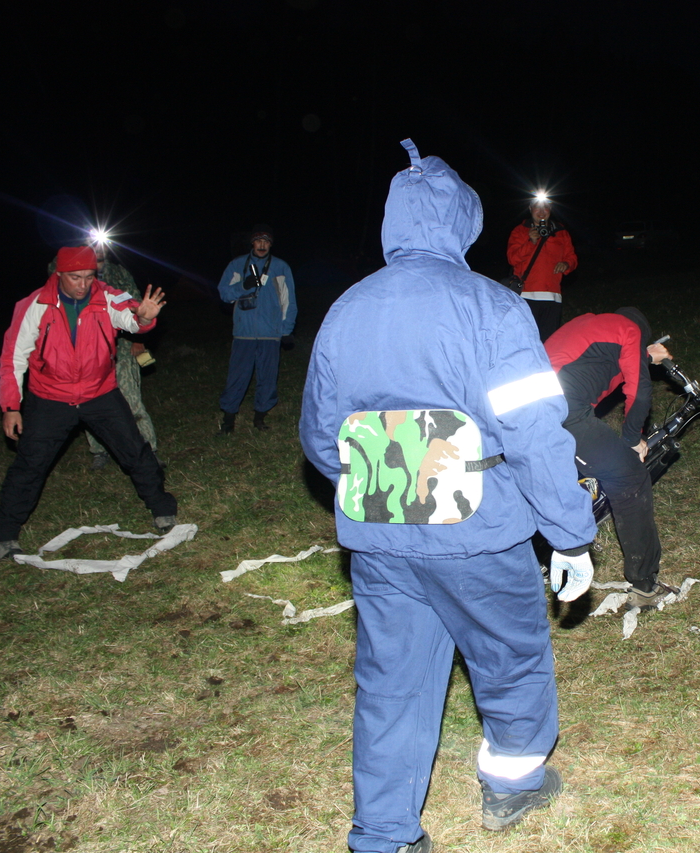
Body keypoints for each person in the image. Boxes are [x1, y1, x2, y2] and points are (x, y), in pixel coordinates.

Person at [299, 140, 597, 853]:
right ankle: (513, 782)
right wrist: (571, 533)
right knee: (510, 656)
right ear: (463, 221)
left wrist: (386, 478)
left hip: (381, 534)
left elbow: (318, 436)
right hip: (478, 531)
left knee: (391, 680)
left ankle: (383, 833)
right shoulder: (493, 307)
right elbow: (532, 431)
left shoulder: (346, 309)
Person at [0, 246, 176, 561]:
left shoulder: (107, 296)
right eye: (75, 277)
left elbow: (131, 318)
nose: (83, 284)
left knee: (135, 450)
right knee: (31, 464)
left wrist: (144, 318)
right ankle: (5, 533)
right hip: (50, 397)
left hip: (99, 392)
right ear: (59, 274)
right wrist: (11, 407)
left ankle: (162, 509)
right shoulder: (34, 304)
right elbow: (13, 359)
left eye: (89, 276)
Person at [544, 308, 672, 608]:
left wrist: (643, 356)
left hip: (521, 408)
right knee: (629, 476)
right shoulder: (629, 330)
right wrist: (632, 439)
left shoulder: (589, 324)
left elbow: (600, 364)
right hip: (562, 410)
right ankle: (644, 584)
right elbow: (639, 392)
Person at [47, 239, 159, 468]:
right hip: (88, 349)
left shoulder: (118, 273)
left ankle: (149, 450)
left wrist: (139, 339)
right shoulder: (72, 270)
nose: (98, 249)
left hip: (122, 347)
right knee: (90, 402)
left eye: (101, 244)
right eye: (91, 244)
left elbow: (138, 306)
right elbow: (54, 273)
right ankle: (99, 451)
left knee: (131, 401)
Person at [217, 225, 296, 433]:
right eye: (258, 241)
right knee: (237, 377)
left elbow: (289, 301)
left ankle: (260, 417)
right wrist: (243, 286)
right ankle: (228, 420)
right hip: (243, 333)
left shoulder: (280, 267)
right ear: (252, 243)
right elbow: (224, 294)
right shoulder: (237, 265)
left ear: (271, 244)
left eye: (266, 241)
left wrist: (286, 330)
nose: (262, 245)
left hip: (271, 333)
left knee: (268, 378)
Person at [507, 196, 577, 341]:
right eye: (537, 207)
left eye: (545, 207)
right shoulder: (520, 231)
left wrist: (566, 264)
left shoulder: (561, 231)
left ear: (550, 209)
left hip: (552, 296)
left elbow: (572, 258)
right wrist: (530, 242)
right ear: (530, 209)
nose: (541, 211)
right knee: (525, 340)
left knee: (548, 342)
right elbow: (512, 258)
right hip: (526, 295)